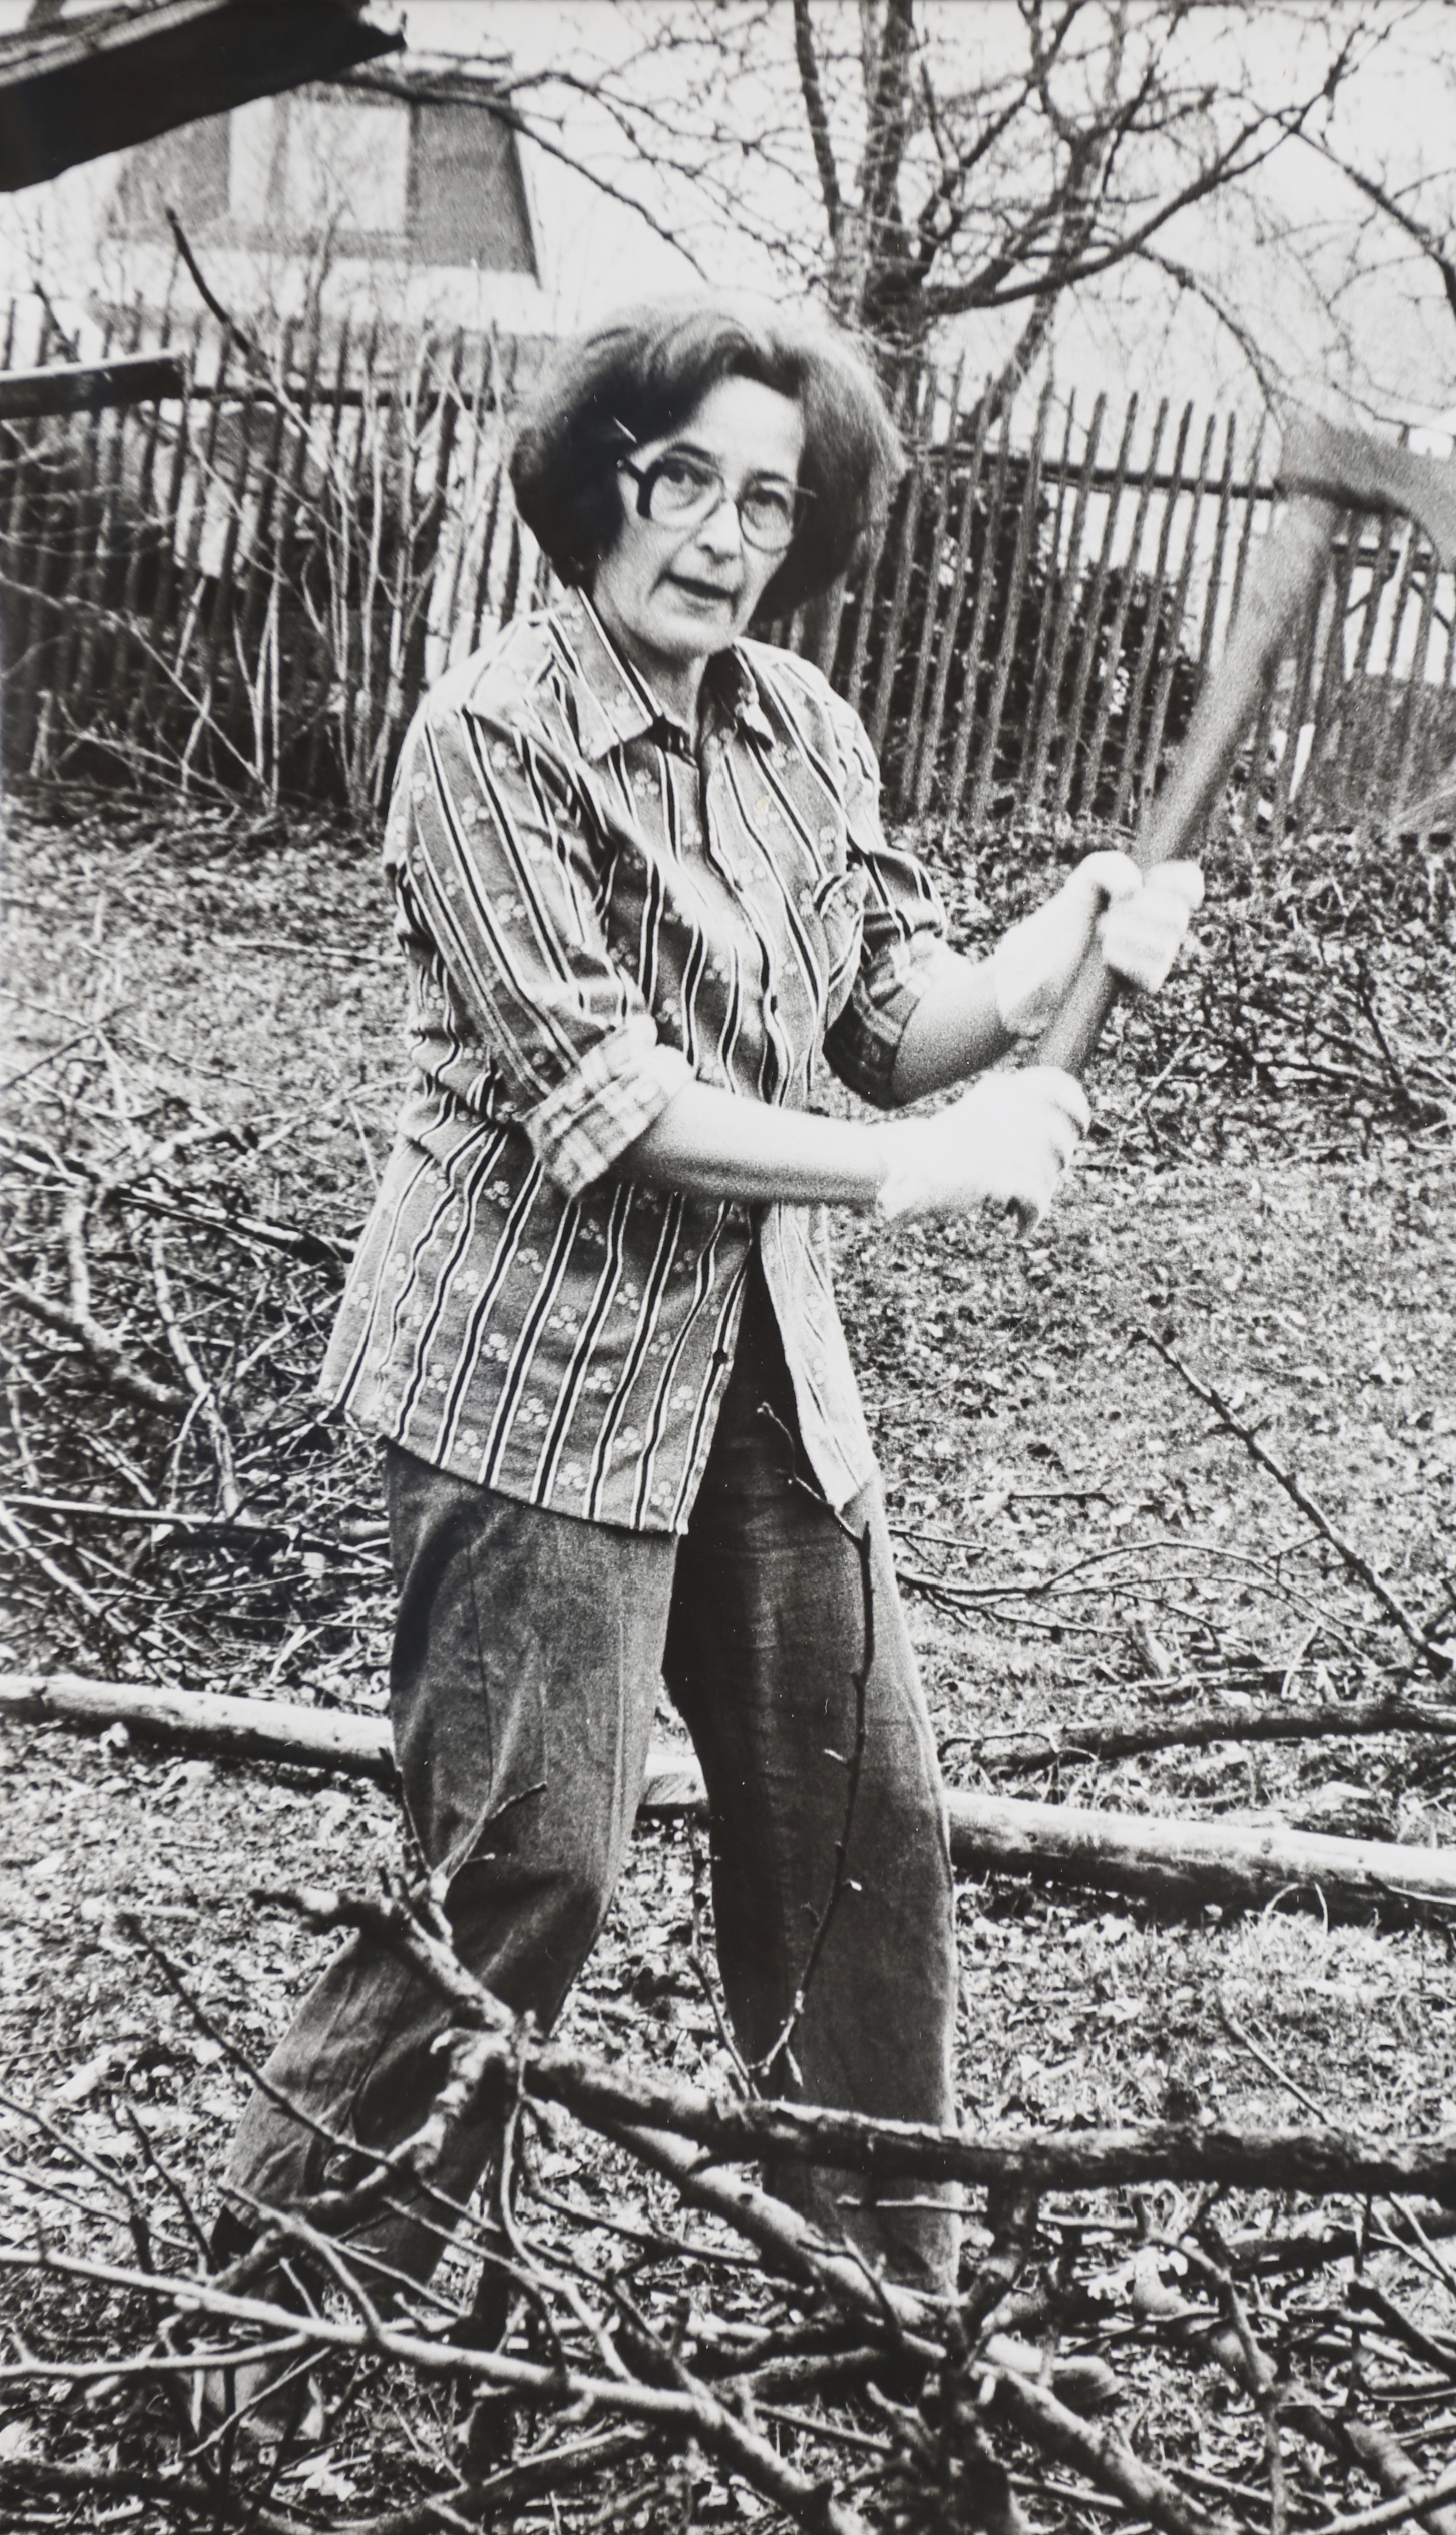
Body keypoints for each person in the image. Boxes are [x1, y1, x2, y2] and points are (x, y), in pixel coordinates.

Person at [206, 293, 1198, 2419]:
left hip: (760, 1360)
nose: (728, 536)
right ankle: (274, 2307)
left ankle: (887, 2302)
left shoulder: (802, 726)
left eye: (772, 498)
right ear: (603, 483)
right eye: (687, 483)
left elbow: (879, 1015)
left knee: (862, 1833)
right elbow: (614, 1104)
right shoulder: (490, 740)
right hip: (532, 1375)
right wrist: (919, 1172)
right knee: (530, 1869)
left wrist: (1054, 949)